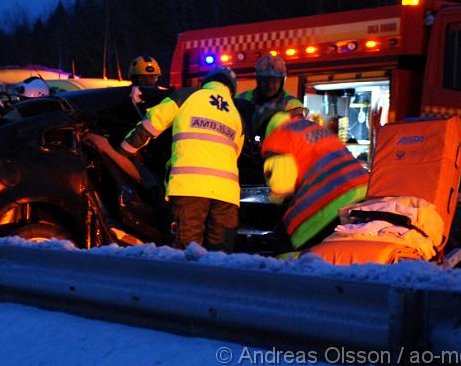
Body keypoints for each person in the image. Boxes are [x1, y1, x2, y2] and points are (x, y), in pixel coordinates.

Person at [120, 67, 244, 252]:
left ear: (206, 82)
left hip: (190, 188)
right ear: (231, 90)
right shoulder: (236, 114)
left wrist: (122, 151)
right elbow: (236, 153)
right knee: (220, 258)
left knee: (188, 253)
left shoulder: (188, 95)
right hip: (227, 196)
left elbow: (151, 124)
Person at [261, 111, 369, 252]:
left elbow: (282, 186)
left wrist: (273, 199)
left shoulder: (278, 137)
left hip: (329, 204)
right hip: (362, 193)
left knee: (283, 247)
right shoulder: (309, 127)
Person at [235, 54, 305, 138]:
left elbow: (296, 136)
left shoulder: (293, 105)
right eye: (266, 80)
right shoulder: (241, 99)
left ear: (282, 81)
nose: (270, 85)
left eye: (275, 81)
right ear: (258, 80)